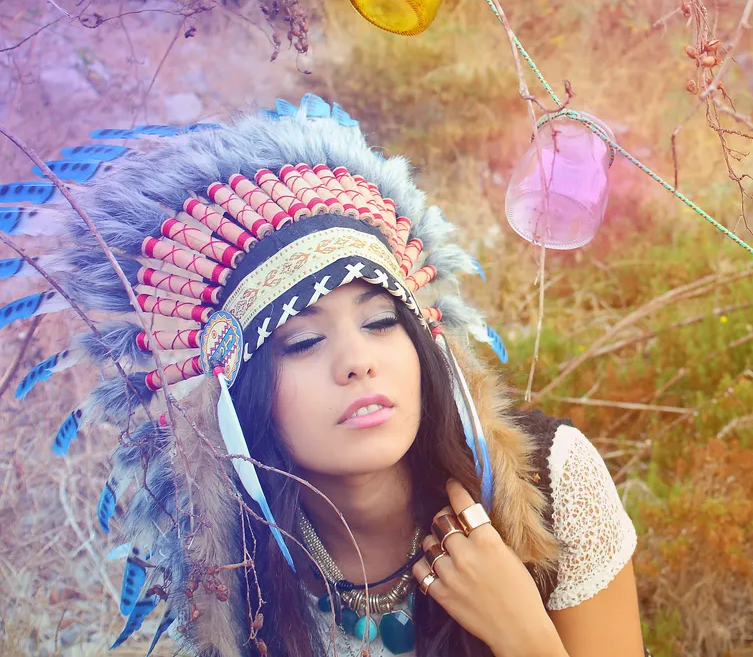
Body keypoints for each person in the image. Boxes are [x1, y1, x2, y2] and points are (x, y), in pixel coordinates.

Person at [3, 95, 643, 656]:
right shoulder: (237, 570)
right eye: (303, 341)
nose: (358, 361)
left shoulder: (549, 482)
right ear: (242, 397)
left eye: (381, 322)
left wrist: (523, 636)